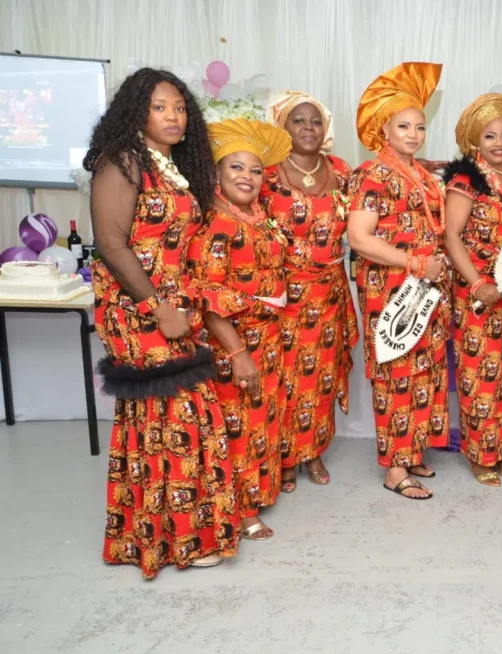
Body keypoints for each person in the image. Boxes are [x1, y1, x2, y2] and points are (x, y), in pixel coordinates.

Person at [86, 68, 238, 577]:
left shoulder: (172, 167)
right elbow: (111, 245)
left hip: (173, 305)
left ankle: (157, 537)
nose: (173, 116)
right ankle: (175, 542)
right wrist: (158, 307)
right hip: (138, 307)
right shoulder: (123, 162)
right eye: (159, 107)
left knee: (170, 417)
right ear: (137, 113)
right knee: (171, 417)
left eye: (179, 107)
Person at [348, 62, 448, 500]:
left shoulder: (421, 174)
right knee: (396, 372)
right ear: (384, 130)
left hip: (425, 287)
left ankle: (412, 450)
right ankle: (394, 469)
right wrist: (414, 262)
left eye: (419, 126)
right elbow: (359, 238)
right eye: (403, 126)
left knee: (424, 370)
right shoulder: (373, 174)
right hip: (390, 290)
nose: (413, 134)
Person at [189, 118, 292, 540]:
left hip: (268, 338)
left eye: (255, 170)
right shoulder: (215, 226)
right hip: (235, 342)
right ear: (216, 172)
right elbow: (209, 300)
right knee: (239, 426)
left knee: (262, 420)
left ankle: (258, 492)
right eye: (236, 167)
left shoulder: (256, 215)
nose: (247, 176)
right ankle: (242, 511)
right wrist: (238, 354)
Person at [263, 91, 360, 492]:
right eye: (298, 120)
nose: (308, 127)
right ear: (282, 127)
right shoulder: (265, 174)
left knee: (320, 377)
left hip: (329, 294)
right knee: (285, 378)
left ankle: (313, 451)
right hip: (283, 296)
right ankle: (285, 457)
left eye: (316, 121)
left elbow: (374, 199)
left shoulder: (341, 171)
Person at [442, 93, 502, 486]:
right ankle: (479, 455)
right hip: (478, 295)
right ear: (475, 140)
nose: (499, 143)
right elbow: (451, 236)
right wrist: (477, 283)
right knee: (480, 376)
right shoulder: (466, 180)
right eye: (490, 136)